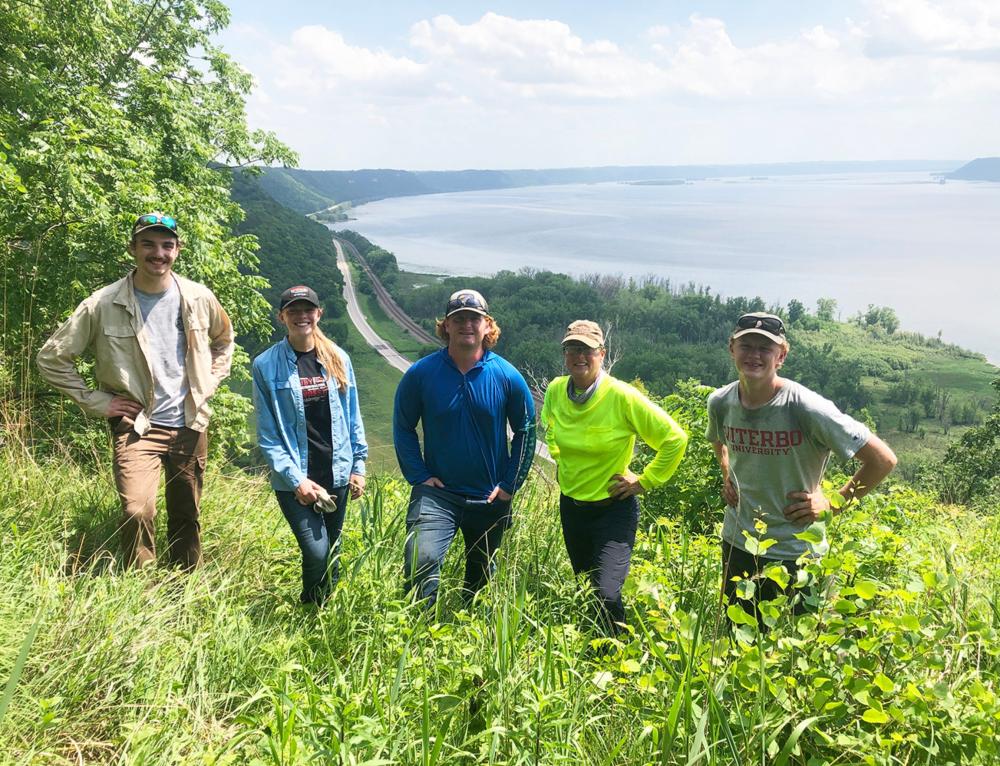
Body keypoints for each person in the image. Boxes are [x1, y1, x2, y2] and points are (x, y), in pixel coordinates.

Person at [37, 212, 234, 569]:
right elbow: (52, 358)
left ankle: (186, 581)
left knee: (187, 513)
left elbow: (224, 340)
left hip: (190, 422)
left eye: (166, 245)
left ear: (177, 250)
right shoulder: (102, 303)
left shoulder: (198, 297)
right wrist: (97, 401)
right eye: (148, 244)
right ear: (133, 248)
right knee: (137, 509)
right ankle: (142, 587)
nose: (158, 253)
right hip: (137, 425)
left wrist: (208, 382)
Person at [706, 312, 897, 624]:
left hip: (798, 551)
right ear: (731, 349)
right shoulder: (721, 402)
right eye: (746, 346)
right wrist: (728, 473)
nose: (754, 355)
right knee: (736, 640)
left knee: (803, 647)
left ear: (781, 355)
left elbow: (883, 459)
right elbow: (718, 440)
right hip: (738, 542)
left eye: (765, 348)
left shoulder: (805, 407)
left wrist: (833, 503)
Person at [541, 320, 688, 634]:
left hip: (612, 509)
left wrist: (644, 481)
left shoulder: (622, 396)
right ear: (565, 354)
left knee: (606, 592)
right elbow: (549, 424)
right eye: (572, 349)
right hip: (571, 506)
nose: (579, 356)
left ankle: (616, 656)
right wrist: (559, 456)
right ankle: (588, 650)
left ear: (601, 354)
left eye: (587, 350)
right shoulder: (556, 389)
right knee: (585, 586)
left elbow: (675, 439)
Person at [394, 288, 536, 607]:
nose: (466, 325)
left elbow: (526, 431)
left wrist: (509, 485)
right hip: (437, 494)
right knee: (422, 560)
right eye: (458, 319)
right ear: (446, 326)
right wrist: (418, 475)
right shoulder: (422, 373)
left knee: (480, 577)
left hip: (488, 496)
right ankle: (418, 637)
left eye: (474, 318)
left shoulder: (506, 375)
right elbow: (403, 425)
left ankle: (469, 636)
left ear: (487, 326)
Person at [252, 285, 367, 605]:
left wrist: (358, 466)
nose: (301, 316)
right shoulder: (265, 365)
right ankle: (310, 603)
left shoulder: (338, 357)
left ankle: (325, 613)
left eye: (307, 310)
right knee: (316, 550)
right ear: (282, 317)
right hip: (295, 479)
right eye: (293, 311)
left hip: (337, 471)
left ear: (318, 313)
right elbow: (268, 435)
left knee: (332, 549)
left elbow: (352, 415)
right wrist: (296, 480)